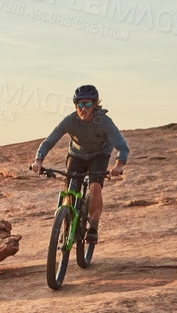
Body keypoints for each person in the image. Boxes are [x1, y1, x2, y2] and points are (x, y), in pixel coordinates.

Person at [30, 84, 128, 243]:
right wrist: (38, 160)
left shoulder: (104, 122)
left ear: (95, 105)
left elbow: (121, 145)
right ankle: (68, 226)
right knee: (70, 190)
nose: (83, 108)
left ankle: (93, 228)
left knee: (95, 186)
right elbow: (49, 141)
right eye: (80, 104)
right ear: (75, 105)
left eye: (88, 104)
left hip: (99, 155)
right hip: (77, 155)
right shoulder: (70, 121)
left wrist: (118, 166)